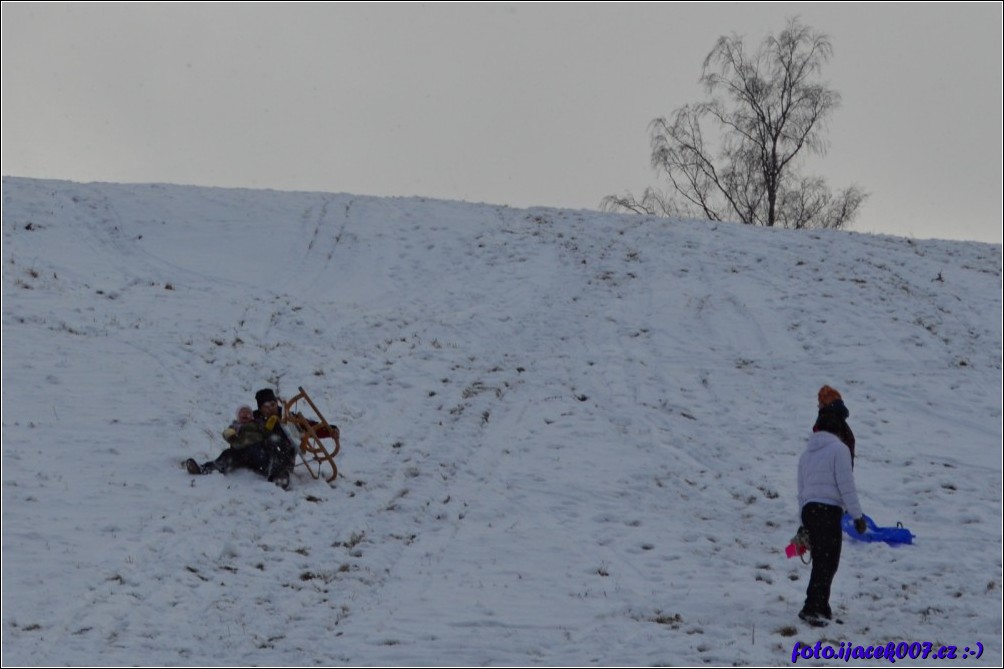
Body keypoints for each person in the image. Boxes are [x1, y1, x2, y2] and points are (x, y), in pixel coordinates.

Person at [796, 385, 867, 627]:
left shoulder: (807, 454)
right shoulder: (840, 450)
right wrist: (857, 516)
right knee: (828, 561)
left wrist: (802, 523)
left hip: (810, 509)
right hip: (828, 510)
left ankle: (821, 606)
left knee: (821, 559)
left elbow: (801, 492)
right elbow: (846, 485)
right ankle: (812, 608)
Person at [185, 388, 297, 489]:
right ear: (260, 408)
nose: (270, 409)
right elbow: (238, 427)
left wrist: (313, 429)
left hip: (279, 457)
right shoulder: (254, 418)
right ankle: (206, 468)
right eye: (266, 406)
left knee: (272, 441)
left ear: (276, 403)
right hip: (253, 456)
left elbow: (307, 426)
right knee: (230, 453)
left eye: (272, 404)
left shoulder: (287, 416)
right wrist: (234, 438)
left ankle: (279, 477)